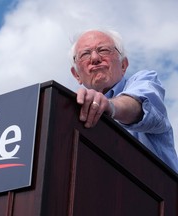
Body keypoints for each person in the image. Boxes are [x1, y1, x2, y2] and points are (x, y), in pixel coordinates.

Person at [70, 29, 178, 173]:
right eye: (85, 54)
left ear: (123, 65)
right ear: (76, 75)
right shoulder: (71, 110)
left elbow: (139, 105)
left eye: (103, 50)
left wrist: (110, 106)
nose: (95, 58)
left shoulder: (145, 81)